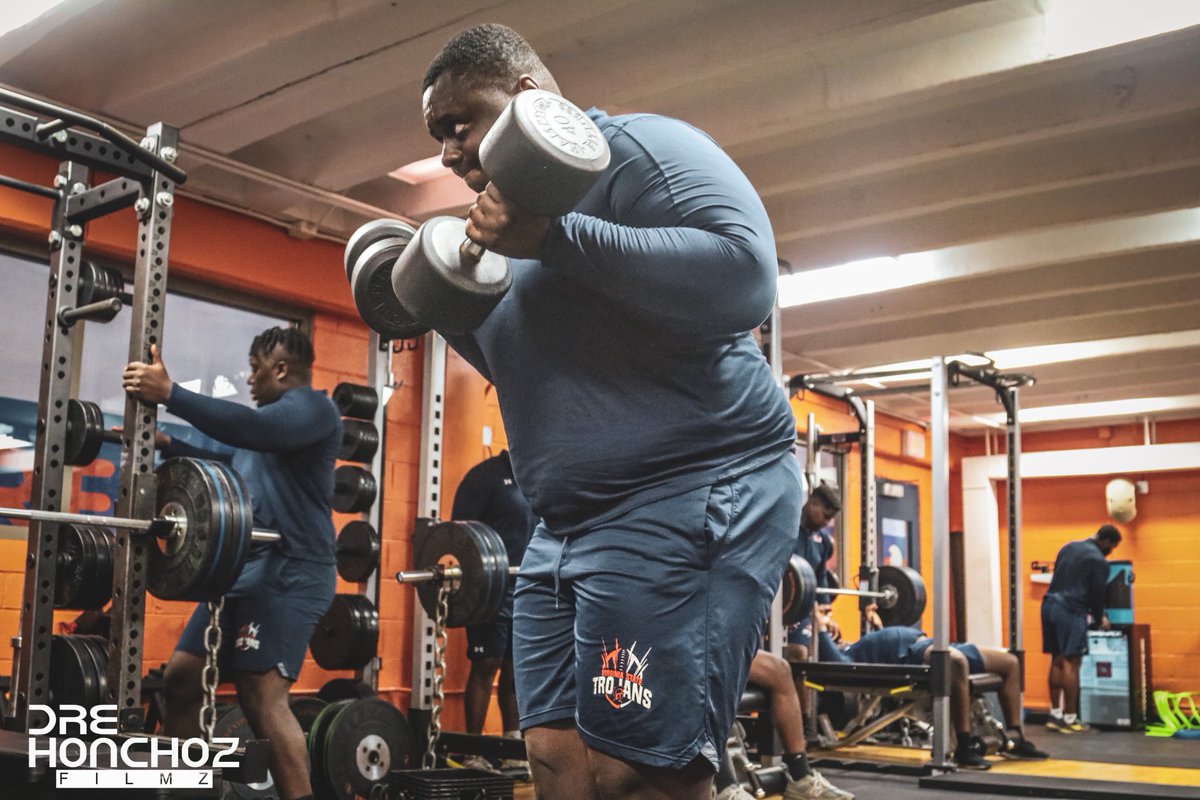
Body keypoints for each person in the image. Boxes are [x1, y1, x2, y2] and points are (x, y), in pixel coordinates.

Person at [420, 23, 802, 800]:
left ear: (528, 98)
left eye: (461, 123)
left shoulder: (638, 149)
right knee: (555, 755)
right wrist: (439, 307)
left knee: (638, 772)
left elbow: (743, 278)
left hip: (689, 491)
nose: (449, 152)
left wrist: (555, 238)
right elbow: (536, 372)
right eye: (437, 136)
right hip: (562, 527)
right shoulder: (493, 239)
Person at [123, 327, 340, 800]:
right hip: (242, 572)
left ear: (281, 368)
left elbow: (254, 429)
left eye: (256, 367)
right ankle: (186, 791)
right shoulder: (263, 438)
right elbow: (226, 453)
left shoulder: (312, 409)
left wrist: (172, 394)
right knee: (182, 680)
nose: (249, 377)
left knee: (262, 697)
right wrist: (165, 445)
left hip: (292, 573)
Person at [806, 616, 1049, 769]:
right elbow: (837, 664)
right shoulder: (849, 658)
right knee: (956, 664)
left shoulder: (859, 640)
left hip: (931, 642)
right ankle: (964, 747)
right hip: (913, 656)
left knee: (1010, 663)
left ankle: (1016, 736)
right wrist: (820, 627)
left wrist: (869, 612)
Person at [450, 449, 536, 773]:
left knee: (516, 671)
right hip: (492, 589)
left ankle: (512, 747)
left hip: (527, 588)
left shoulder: (534, 473)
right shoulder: (485, 476)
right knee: (486, 664)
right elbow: (458, 535)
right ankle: (474, 750)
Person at [715, 650, 854, 800]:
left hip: (715, 646)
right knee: (702, 670)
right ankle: (724, 787)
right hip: (694, 653)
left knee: (780, 670)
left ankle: (800, 776)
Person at [1041, 524, 1122, 734]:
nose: (1111, 551)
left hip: (1049, 606)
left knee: (1057, 659)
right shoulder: (1099, 561)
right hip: (1071, 609)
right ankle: (1071, 719)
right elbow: (1097, 594)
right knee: (1072, 662)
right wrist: (1100, 617)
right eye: (1112, 547)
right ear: (1106, 541)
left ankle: (1055, 715)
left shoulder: (1068, 547)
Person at [785, 485, 841, 664]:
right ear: (813, 504)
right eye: (825, 516)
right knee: (799, 653)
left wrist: (826, 612)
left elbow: (820, 578)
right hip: (779, 606)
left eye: (831, 519)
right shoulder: (786, 529)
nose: (827, 523)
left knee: (810, 654)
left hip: (803, 610)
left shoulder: (822, 542)